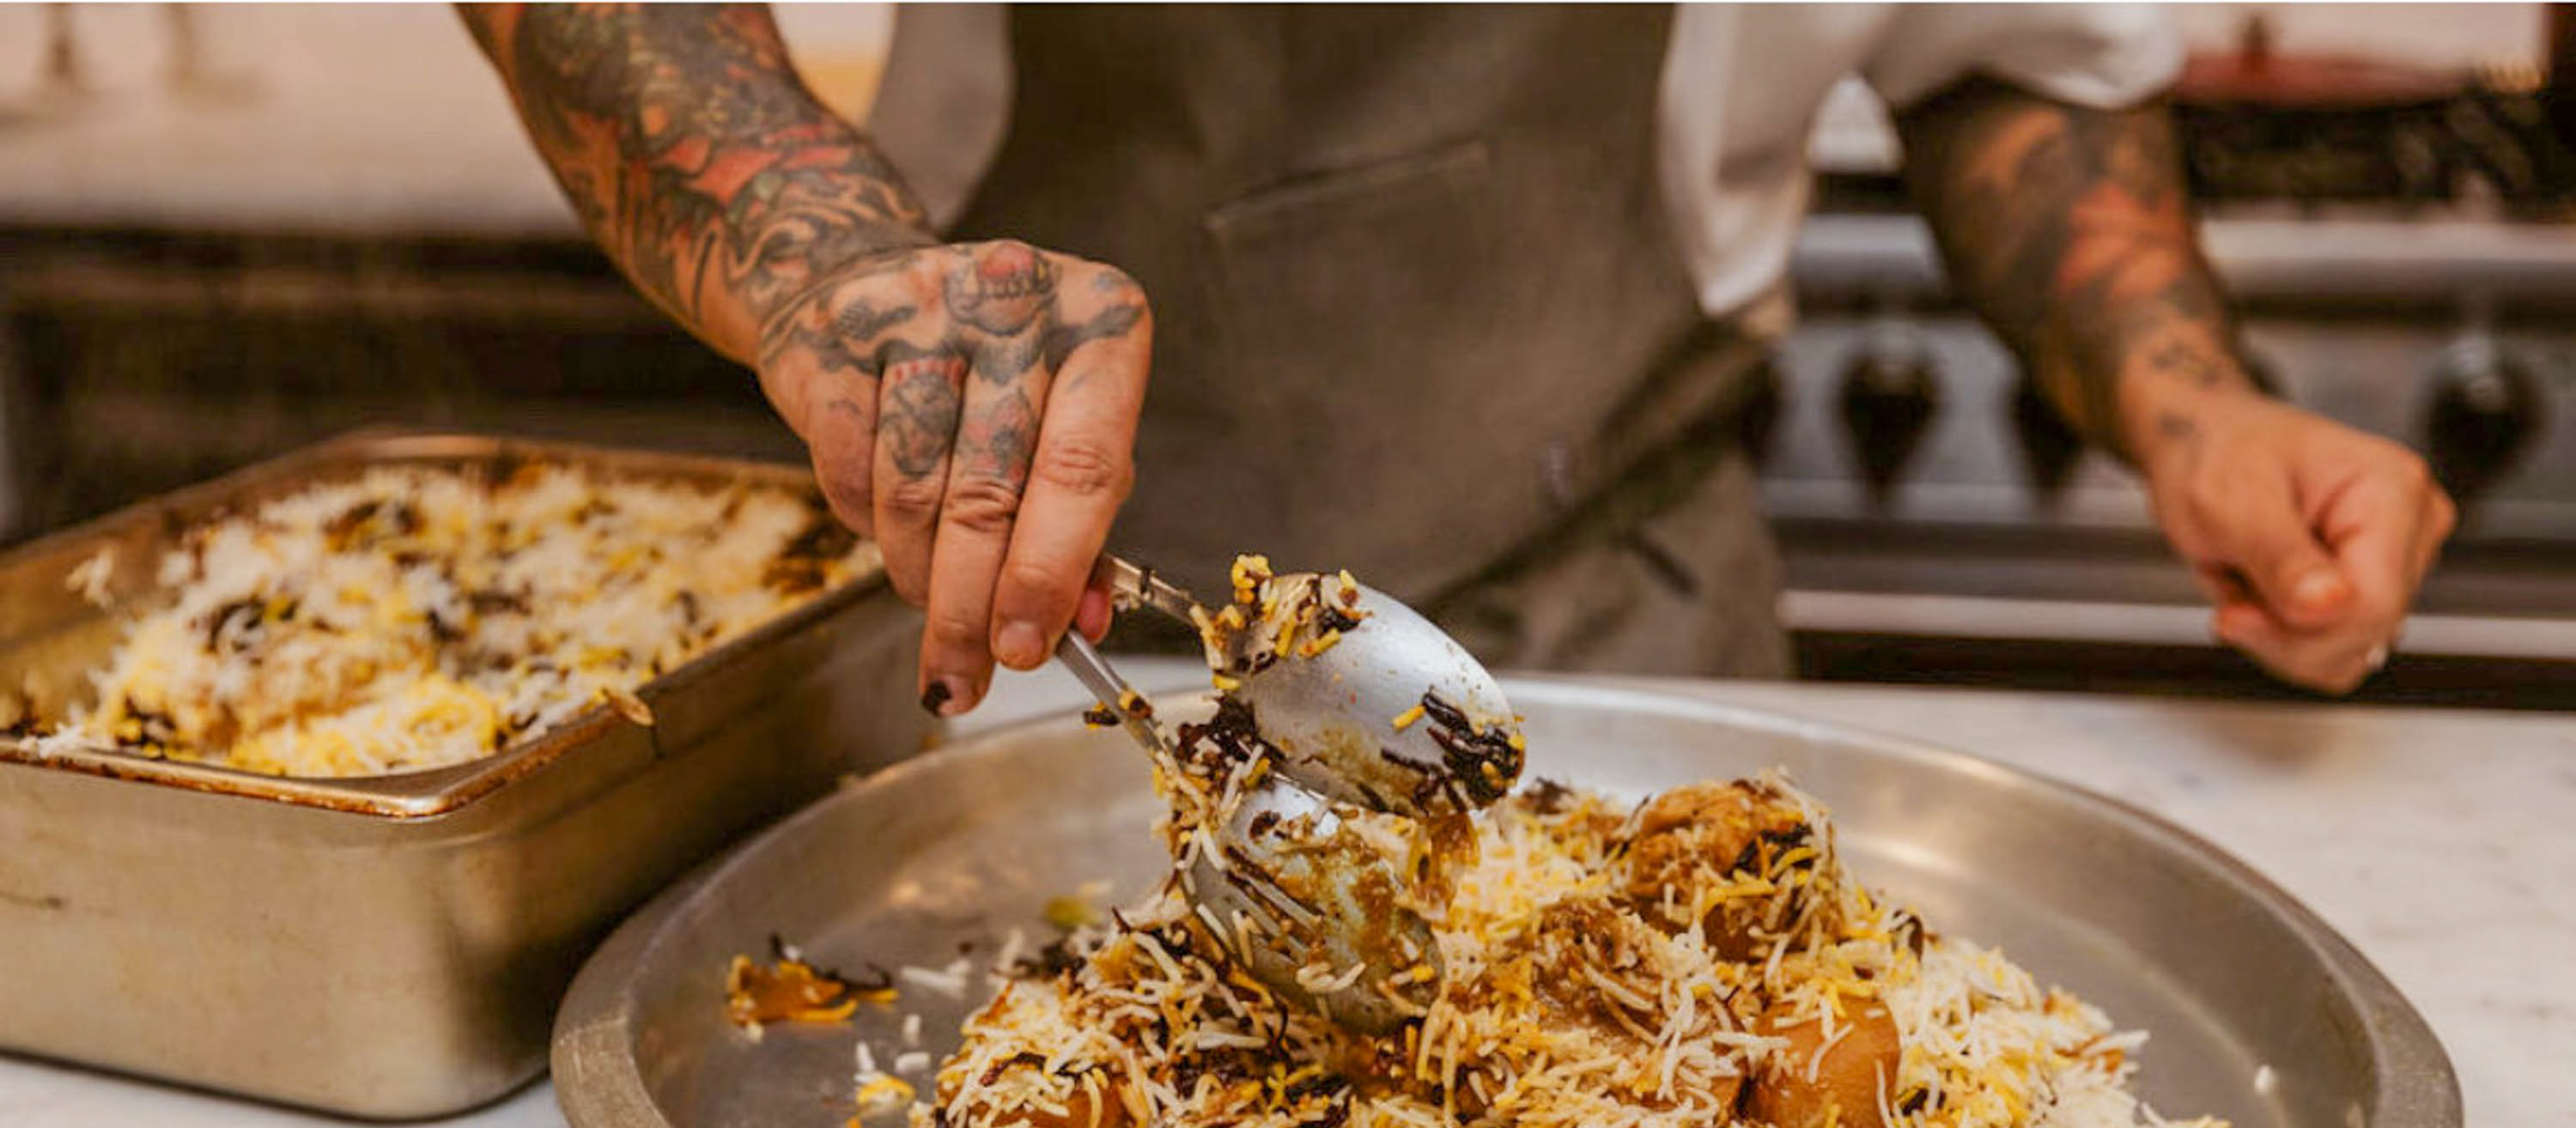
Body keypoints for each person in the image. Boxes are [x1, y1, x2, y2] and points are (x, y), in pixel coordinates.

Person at [463, 3, 2454, 716]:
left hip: (1639, 649)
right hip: (1045, 670)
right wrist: (838, 274)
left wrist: (2191, 401)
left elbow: (2012, 56)